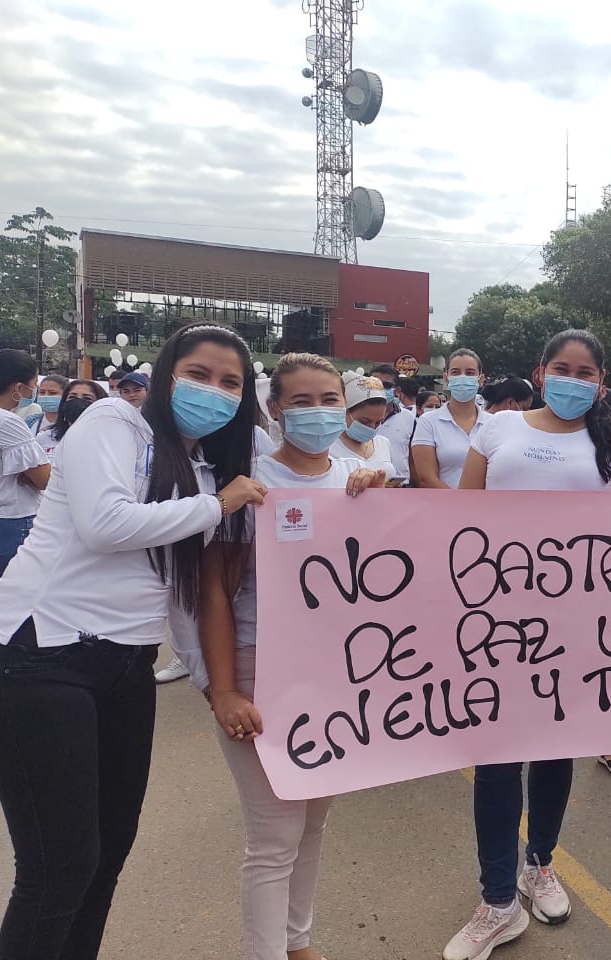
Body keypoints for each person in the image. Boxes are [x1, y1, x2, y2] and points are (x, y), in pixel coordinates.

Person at [0, 324, 266, 959]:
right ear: (166, 371)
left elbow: (183, 590)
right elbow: (105, 523)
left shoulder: (204, 465)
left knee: (107, 853)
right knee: (59, 864)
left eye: (231, 383)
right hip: (42, 652)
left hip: (126, 664)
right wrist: (217, 505)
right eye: (198, 374)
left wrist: (213, 683)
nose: (214, 391)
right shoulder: (114, 422)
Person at [170, 352, 383, 960]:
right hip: (263, 667)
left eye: (329, 400)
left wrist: (381, 503)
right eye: (301, 402)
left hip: (340, 673)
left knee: (314, 821)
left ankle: (297, 944)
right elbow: (216, 589)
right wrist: (225, 687)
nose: (318, 413)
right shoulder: (250, 484)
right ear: (273, 409)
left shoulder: (357, 478)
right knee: (274, 836)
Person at [448, 330, 611, 960]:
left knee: (556, 753)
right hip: (494, 623)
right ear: (540, 371)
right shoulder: (498, 432)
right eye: (562, 368)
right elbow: (458, 520)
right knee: (498, 760)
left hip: (574, 628)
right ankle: (498, 901)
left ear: (601, 382)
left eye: (586, 372)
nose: (573, 379)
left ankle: (540, 864)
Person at [0, 350, 51, 584]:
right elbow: (44, 478)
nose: (34, 394)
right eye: (33, 387)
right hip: (11, 519)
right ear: (18, 388)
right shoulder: (7, 421)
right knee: (17, 602)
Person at [410, 349, 489, 489]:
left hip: (487, 506)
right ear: (446, 378)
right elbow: (427, 478)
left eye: (470, 373)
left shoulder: (494, 423)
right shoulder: (428, 422)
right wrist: (459, 504)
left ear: (481, 380)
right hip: (444, 507)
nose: (463, 378)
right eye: (456, 372)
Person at [329, 372, 398, 482]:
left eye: (378, 422)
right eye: (365, 421)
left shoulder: (383, 443)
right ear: (345, 412)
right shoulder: (328, 446)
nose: (371, 428)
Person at [377, 375, 423, 478]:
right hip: (368, 485)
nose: (380, 388)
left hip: (401, 485)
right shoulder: (357, 418)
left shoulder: (409, 418)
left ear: (397, 390)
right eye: (375, 384)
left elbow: (413, 458)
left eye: (386, 385)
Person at [32, 374, 69, 454]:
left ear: (66, 396)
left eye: (52, 393)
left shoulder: (72, 423)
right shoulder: (31, 422)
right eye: (42, 392)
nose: (46, 396)